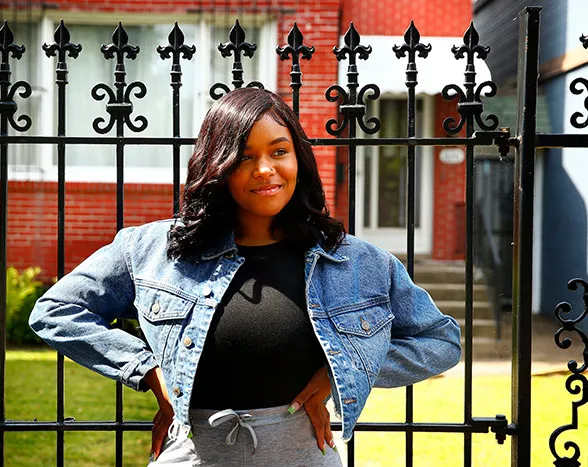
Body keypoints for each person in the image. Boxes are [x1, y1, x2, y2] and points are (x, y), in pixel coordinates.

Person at [29, 87, 462, 466]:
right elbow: (56, 311)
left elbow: (440, 340)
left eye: (279, 151)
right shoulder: (152, 249)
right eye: (245, 156)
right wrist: (149, 371)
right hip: (192, 455)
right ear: (217, 165)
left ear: (298, 158)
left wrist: (341, 372)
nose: (265, 169)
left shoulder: (355, 262)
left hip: (303, 456)